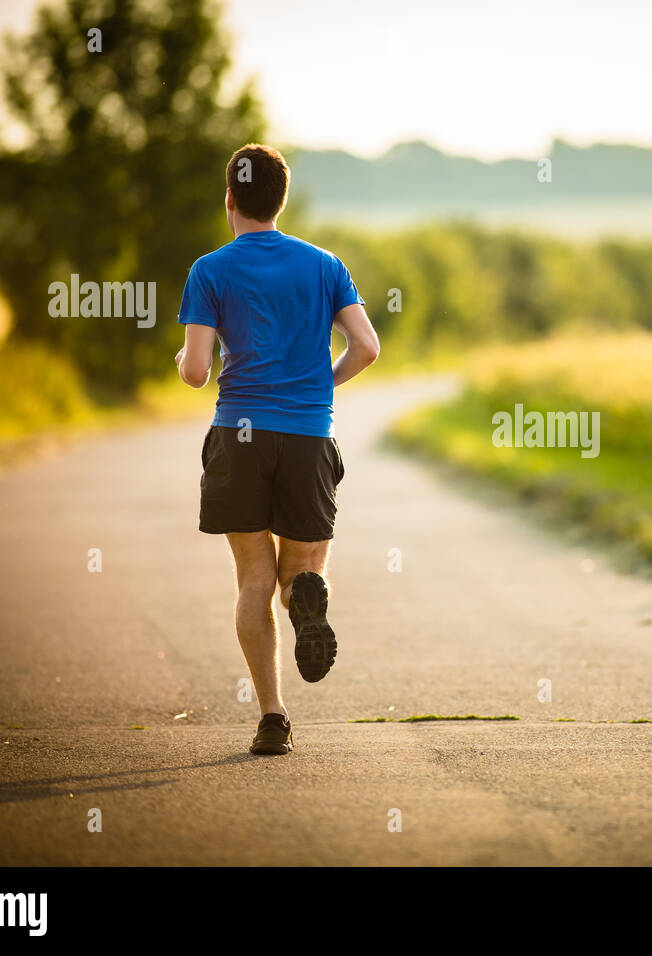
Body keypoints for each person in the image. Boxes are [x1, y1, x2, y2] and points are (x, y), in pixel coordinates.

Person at [174, 143, 380, 755]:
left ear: (230, 200)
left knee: (252, 582)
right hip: (308, 433)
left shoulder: (209, 270)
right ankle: (306, 599)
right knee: (300, 574)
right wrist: (322, 384)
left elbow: (195, 371)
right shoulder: (324, 265)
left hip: (240, 435)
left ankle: (271, 718)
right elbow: (366, 347)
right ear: (280, 199)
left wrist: (181, 362)